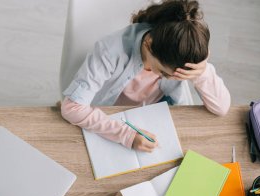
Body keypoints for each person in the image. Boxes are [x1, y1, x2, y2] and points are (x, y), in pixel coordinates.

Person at [61, 0, 230, 153]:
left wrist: (202, 72)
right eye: (163, 72)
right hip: (112, 116)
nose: (171, 79)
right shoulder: (110, 51)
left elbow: (221, 108)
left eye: (179, 76)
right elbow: (71, 108)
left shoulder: (177, 55)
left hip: (157, 115)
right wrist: (126, 135)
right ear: (149, 44)